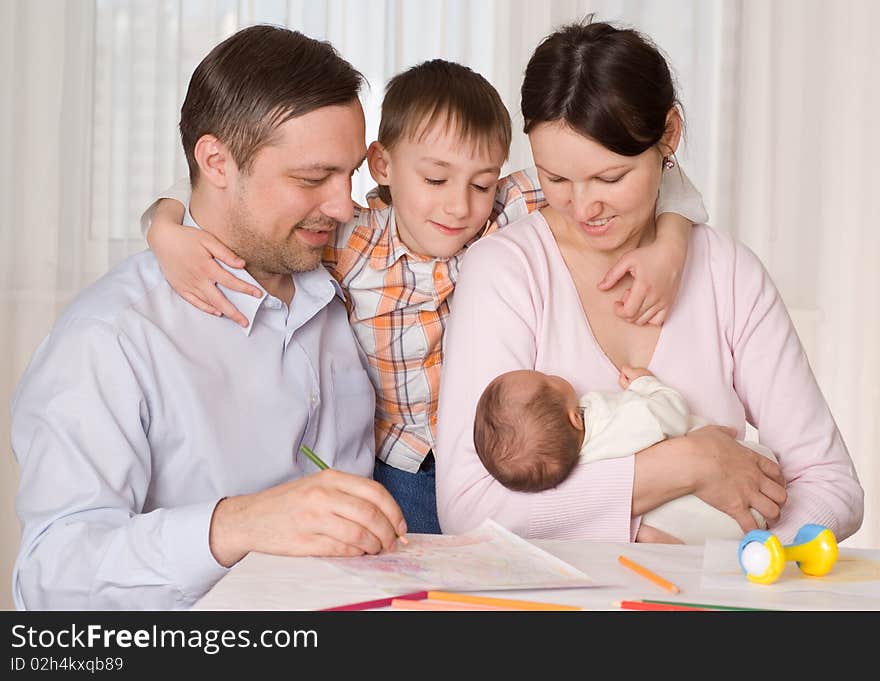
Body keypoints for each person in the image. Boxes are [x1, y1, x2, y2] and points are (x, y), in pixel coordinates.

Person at [138, 60, 708, 534]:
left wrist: (673, 240)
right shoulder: (352, 239)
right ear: (382, 164)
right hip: (401, 469)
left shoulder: (506, 215)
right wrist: (164, 226)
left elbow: (629, 164)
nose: (459, 206)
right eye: (435, 180)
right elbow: (221, 184)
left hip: (503, 459)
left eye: (481, 183)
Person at [10, 25, 408, 611]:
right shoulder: (111, 337)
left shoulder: (358, 275)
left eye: (349, 174)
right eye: (311, 178)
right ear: (216, 161)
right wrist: (235, 525)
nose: (343, 204)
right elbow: (49, 578)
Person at [435, 18, 864, 546]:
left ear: (669, 135)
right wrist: (686, 464)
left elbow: (832, 484)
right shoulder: (505, 272)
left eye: (610, 178)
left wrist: (748, 567)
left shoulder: (729, 276)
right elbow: (467, 510)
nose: (583, 207)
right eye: (556, 180)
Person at [473, 366, 777, 544]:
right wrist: (647, 385)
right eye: (547, 380)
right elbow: (671, 416)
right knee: (764, 462)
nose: (551, 373)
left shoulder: (575, 470)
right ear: (575, 418)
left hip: (699, 527)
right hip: (742, 496)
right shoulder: (611, 418)